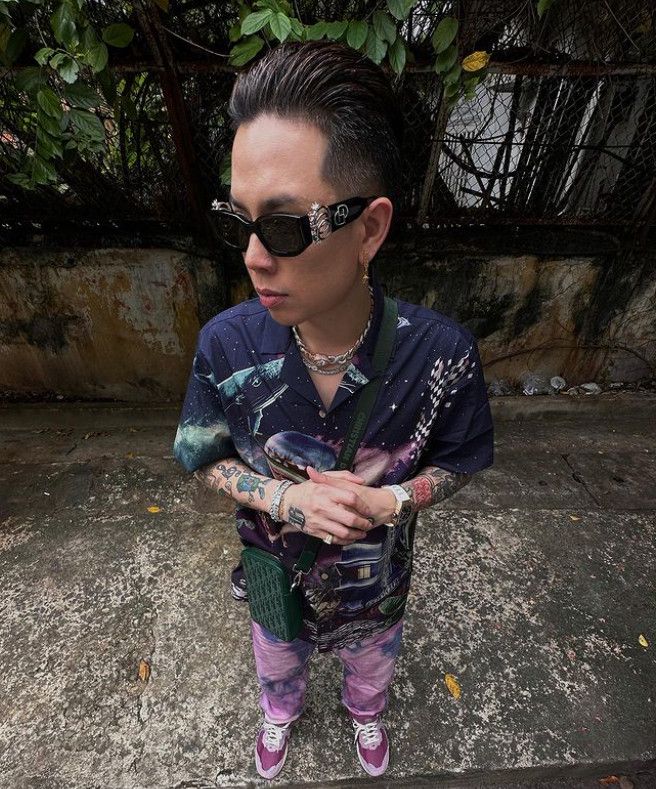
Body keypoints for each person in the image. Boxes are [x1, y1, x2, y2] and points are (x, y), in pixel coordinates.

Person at [172, 39, 494, 780]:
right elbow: (201, 454)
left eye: (285, 226)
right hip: (273, 570)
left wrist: (392, 501)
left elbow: (459, 459)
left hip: (376, 586)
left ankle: (365, 712)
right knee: (275, 661)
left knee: (373, 666)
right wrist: (283, 499)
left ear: (369, 230)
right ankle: (280, 713)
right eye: (239, 223)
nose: (254, 257)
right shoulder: (226, 344)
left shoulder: (440, 356)